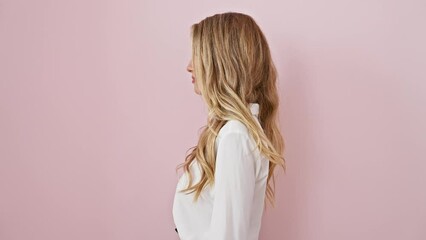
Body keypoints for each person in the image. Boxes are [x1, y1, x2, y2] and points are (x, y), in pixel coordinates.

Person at [172, 11, 286, 240]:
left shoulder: (236, 136)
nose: (189, 67)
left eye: (197, 56)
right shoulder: (234, 132)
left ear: (220, 62)